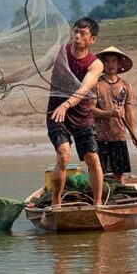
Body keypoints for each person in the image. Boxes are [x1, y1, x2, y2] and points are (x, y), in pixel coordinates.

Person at [47, 17, 105, 208]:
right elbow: (34, 67)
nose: (77, 36)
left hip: (81, 114)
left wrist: (67, 104)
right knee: (63, 155)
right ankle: (56, 202)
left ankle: (97, 204)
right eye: (76, 32)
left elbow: (83, 89)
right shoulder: (61, 52)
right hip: (57, 112)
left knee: (92, 158)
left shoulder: (95, 64)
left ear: (92, 39)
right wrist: (4, 81)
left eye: (83, 33)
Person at [92, 46, 137, 184]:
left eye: (113, 61)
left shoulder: (126, 86)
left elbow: (129, 112)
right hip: (100, 136)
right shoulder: (96, 84)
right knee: (99, 171)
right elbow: (90, 110)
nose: (110, 64)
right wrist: (109, 113)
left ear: (119, 64)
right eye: (107, 61)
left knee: (119, 172)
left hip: (119, 135)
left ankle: (119, 193)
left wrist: (134, 136)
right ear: (103, 64)